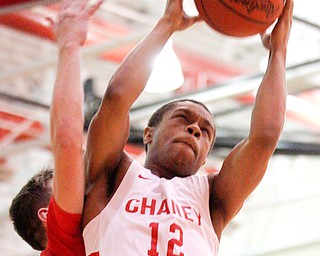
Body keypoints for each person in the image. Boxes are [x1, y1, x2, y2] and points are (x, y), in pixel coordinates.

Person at [82, 0, 294, 255]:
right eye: (183, 118)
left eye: (205, 132)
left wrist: (279, 51)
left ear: (205, 159)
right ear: (148, 133)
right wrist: (166, 24)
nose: (194, 129)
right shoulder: (113, 174)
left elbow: (266, 136)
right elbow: (116, 98)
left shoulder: (213, 196)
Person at [9, 0, 102, 254]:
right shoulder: (65, 244)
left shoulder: (97, 238)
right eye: (65, 182)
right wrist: (70, 44)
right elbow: (68, 141)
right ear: (47, 214)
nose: (80, 183)